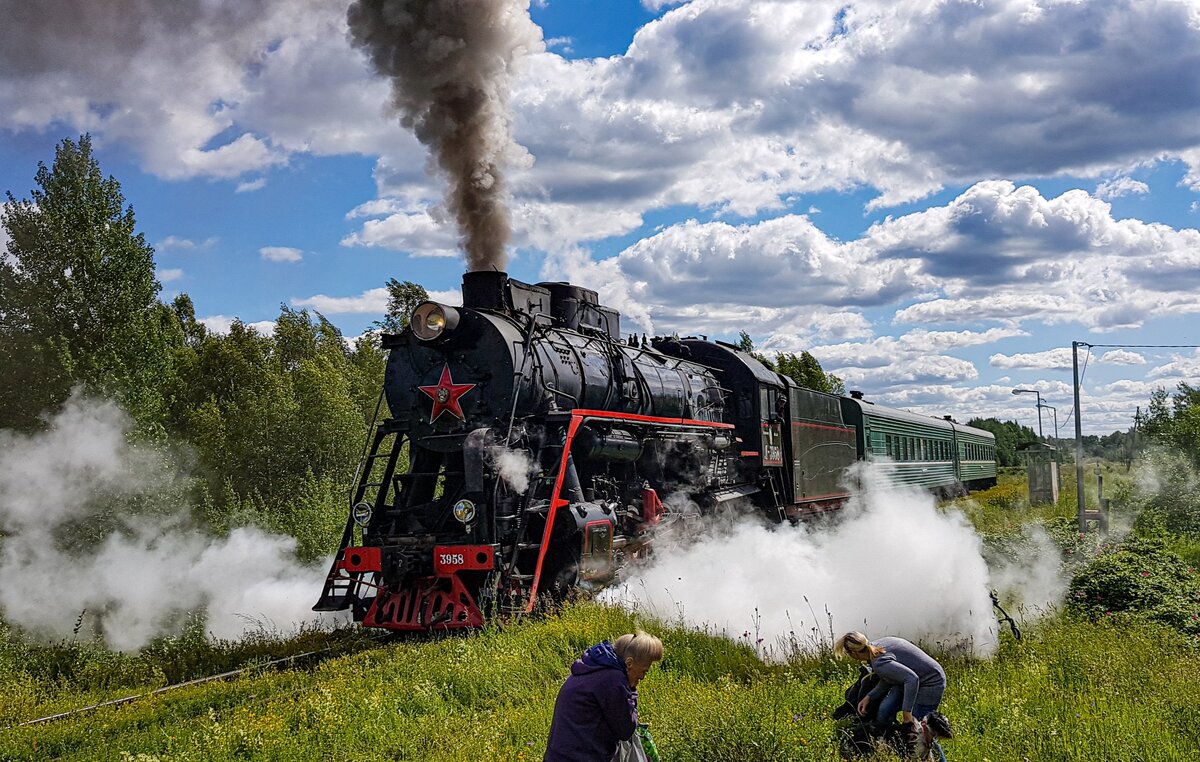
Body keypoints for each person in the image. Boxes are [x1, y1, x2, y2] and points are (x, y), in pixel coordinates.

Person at [544, 630, 664, 762]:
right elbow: (626, 730)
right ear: (629, 663)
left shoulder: (593, 667)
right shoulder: (613, 681)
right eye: (644, 671)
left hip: (558, 755)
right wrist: (632, 690)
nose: (642, 677)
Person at [835, 631, 947, 761]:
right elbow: (890, 676)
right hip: (909, 681)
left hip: (930, 682)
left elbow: (912, 679)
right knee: (884, 710)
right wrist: (869, 697)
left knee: (922, 731)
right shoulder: (877, 647)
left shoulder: (878, 661)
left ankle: (937, 758)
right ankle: (895, 747)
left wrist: (907, 714)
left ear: (853, 653)